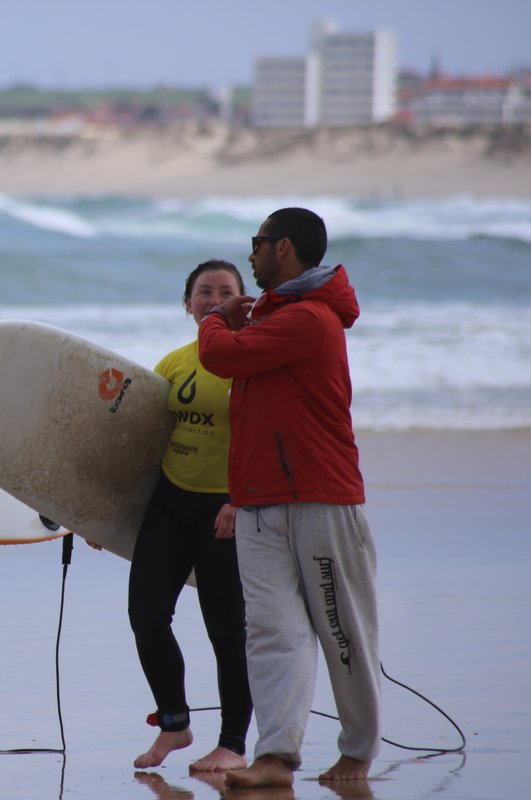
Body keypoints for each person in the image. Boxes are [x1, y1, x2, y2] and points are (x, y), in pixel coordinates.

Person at [198, 208, 380, 787]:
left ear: (284, 249)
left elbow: (220, 357)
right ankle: (275, 757)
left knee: (341, 628)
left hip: (320, 497)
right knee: (273, 631)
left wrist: (217, 316)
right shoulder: (277, 316)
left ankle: (357, 751)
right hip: (257, 500)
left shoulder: (310, 319)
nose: (249, 255)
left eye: (257, 244)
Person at [128, 260, 254, 774]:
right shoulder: (175, 363)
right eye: (204, 292)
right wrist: (100, 515)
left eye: (227, 291)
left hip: (223, 506)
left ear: (247, 303)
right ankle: (175, 724)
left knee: (226, 629)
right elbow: (142, 444)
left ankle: (233, 743)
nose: (215, 299)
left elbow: (266, 440)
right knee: (146, 617)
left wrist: (239, 502)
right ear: (188, 304)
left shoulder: (254, 361)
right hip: (169, 502)